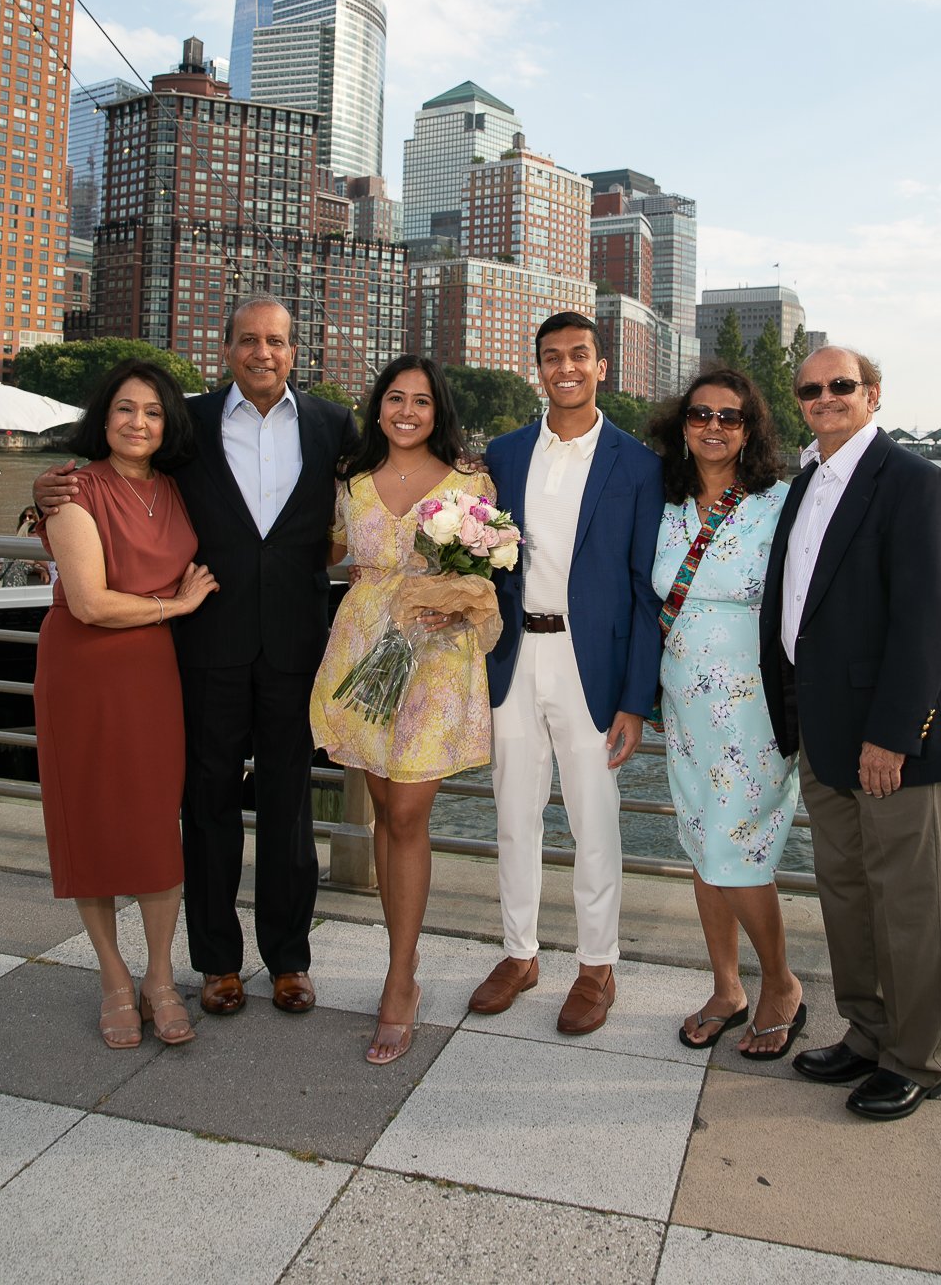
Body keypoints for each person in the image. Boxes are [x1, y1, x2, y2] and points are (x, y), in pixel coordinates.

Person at [36, 296, 357, 1017]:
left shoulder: (334, 424)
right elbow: (119, 472)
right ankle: (215, 961)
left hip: (295, 644)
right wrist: (42, 489)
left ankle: (289, 959)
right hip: (205, 639)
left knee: (288, 803)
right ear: (227, 349)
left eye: (275, 341)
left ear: (294, 351)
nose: (262, 352)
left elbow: (377, 498)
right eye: (248, 340)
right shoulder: (188, 421)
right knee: (206, 803)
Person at [760, 345, 941, 1121]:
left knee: (907, 902)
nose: (825, 397)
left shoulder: (916, 483)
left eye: (841, 386)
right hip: (821, 729)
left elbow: (928, 620)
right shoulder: (805, 484)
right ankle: (868, 1031)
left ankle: (917, 1058)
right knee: (846, 892)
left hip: (889, 738)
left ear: (873, 394)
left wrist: (893, 734)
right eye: (810, 389)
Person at [468, 311, 663, 1035]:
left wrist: (635, 700)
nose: (566, 369)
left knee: (594, 822)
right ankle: (519, 954)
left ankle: (596, 965)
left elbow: (646, 593)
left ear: (602, 366)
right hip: (516, 657)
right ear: (538, 368)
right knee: (514, 814)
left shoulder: (638, 465)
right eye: (552, 358)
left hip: (594, 667)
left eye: (579, 355)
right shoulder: (506, 453)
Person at [311, 356, 498, 1064]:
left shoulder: (472, 488)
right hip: (363, 655)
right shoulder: (352, 482)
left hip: (435, 661)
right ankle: (402, 958)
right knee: (385, 813)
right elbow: (328, 551)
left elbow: (487, 572)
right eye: (396, 398)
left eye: (422, 400)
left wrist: (458, 599)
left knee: (410, 814)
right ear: (378, 406)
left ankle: (400, 976)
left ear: (438, 410)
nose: (408, 410)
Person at [33, 361, 218, 1048]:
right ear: (102, 417)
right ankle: (114, 978)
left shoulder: (175, 487)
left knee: (149, 823)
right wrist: (179, 602)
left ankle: (160, 978)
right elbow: (88, 602)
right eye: (124, 409)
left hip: (151, 672)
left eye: (152, 413)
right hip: (84, 670)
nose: (138, 423)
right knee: (92, 819)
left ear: (167, 425)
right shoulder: (75, 489)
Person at [647, 369, 804, 1058]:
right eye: (700, 414)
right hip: (682, 702)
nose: (713, 426)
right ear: (682, 424)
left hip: (754, 707)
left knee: (736, 845)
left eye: (730, 418)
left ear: (751, 429)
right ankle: (725, 987)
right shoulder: (663, 500)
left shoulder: (779, 504)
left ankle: (781, 983)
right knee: (702, 841)